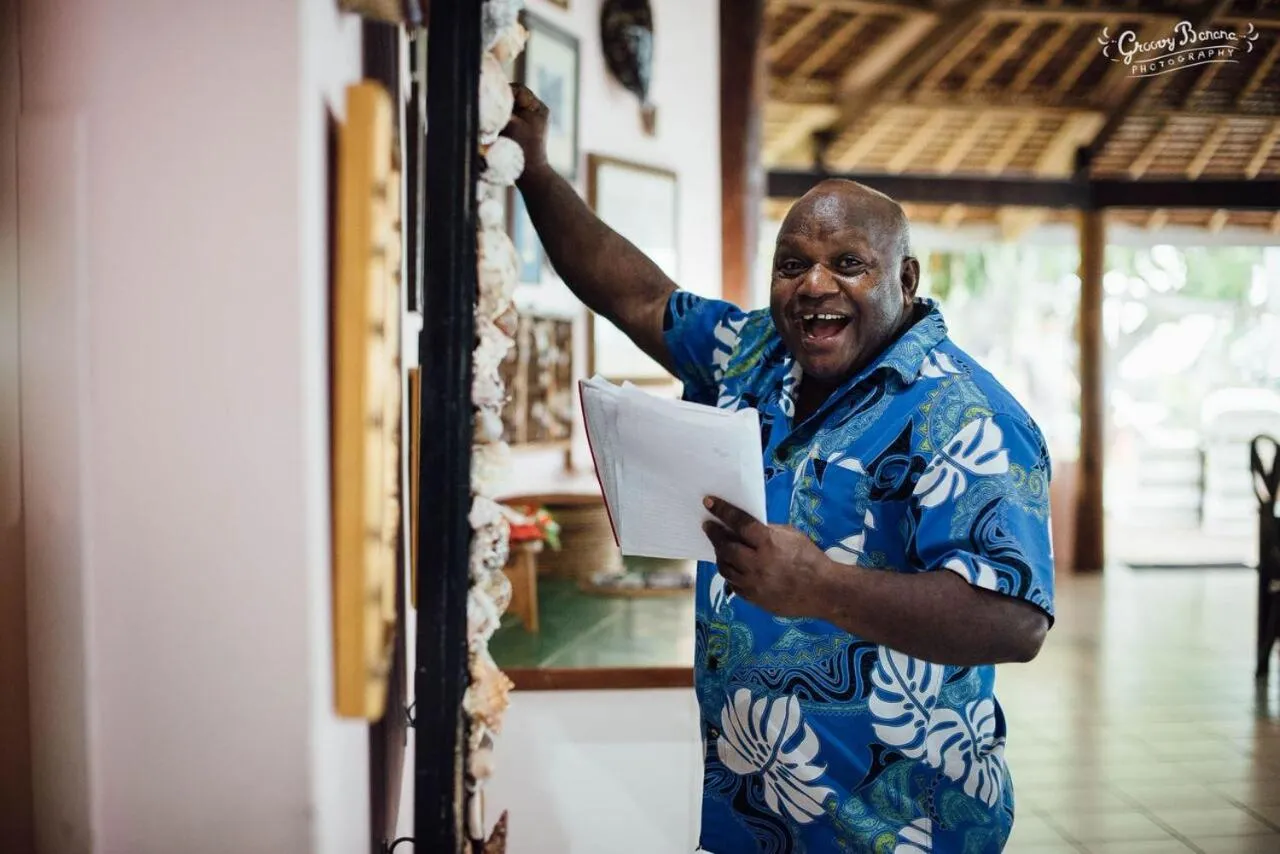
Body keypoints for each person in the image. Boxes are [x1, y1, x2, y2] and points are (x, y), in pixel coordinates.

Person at [503, 84, 1054, 853]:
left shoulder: (969, 418)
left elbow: (1017, 621)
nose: (814, 285)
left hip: (904, 830)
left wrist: (822, 586)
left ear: (906, 280)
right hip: (753, 815)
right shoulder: (754, 354)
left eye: (848, 263)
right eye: (792, 264)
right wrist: (535, 172)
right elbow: (636, 295)